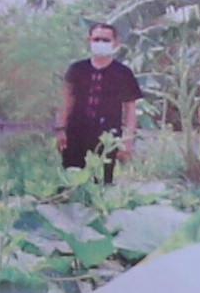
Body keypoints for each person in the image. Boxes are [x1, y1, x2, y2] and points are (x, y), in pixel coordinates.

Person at [58, 20, 145, 182]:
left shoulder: (123, 73)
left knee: (102, 182)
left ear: (115, 43)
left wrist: (127, 141)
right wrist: (61, 129)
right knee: (71, 180)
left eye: (105, 40)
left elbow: (130, 110)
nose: (100, 43)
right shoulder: (76, 69)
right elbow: (66, 101)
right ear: (89, 40)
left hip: (107, 137)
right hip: (76, 134)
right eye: (96, 39)